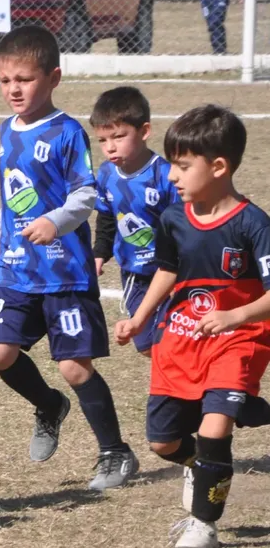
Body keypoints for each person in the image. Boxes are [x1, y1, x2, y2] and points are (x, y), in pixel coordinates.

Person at [0, 25, 138, 491]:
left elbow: (86, 192)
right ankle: (48, 405)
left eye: (25, 80)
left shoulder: (68, 131)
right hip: (16, 267)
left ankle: (115, 453)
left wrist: (56, 221)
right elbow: (12, 194)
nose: (14, 89)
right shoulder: (6, 130)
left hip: (64, 271)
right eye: (6, 80)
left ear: (53, 78)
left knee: (74, 366)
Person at [115, 105, 270, 548]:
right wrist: (139, 318)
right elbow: (167, 270)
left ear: (219, 166)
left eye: (182, 166)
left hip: (236, 339)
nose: (172, 176)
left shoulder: (253, 224)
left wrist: (234, 317)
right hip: (181, 340)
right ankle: (206, 466)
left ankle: (204, 524)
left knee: (214, 428)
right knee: (163, 443)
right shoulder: (174, 218)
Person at [91, 86, 180, 357]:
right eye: (103, 140)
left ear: (144, 131)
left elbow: (182, 222)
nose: (110, 147)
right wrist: (99, 253)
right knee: (146, 345)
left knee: (173, 339)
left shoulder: (164, 174)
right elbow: (106, 215)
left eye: (119, 136)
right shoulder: (106, 174)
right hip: (134, 274)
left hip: (171, 272)